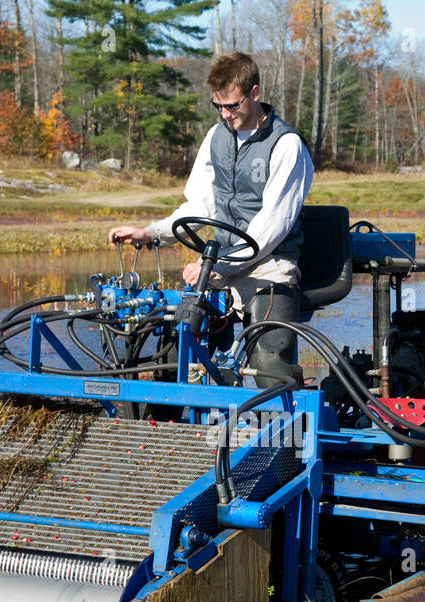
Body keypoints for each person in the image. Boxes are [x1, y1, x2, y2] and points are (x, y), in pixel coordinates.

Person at [108, 52, 314, 387]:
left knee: (267, 360)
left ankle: (280, 433)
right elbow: (200, 204)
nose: (225, 114)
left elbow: (271, 226)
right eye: (218, 105)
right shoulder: (216, 137)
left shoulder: (287, 144)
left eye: (232, 105)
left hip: (270, 263)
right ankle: (167, 427)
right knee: (178, 337)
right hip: (220, 260)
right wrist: (151, 233)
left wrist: (222, 264)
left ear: (255, 93)